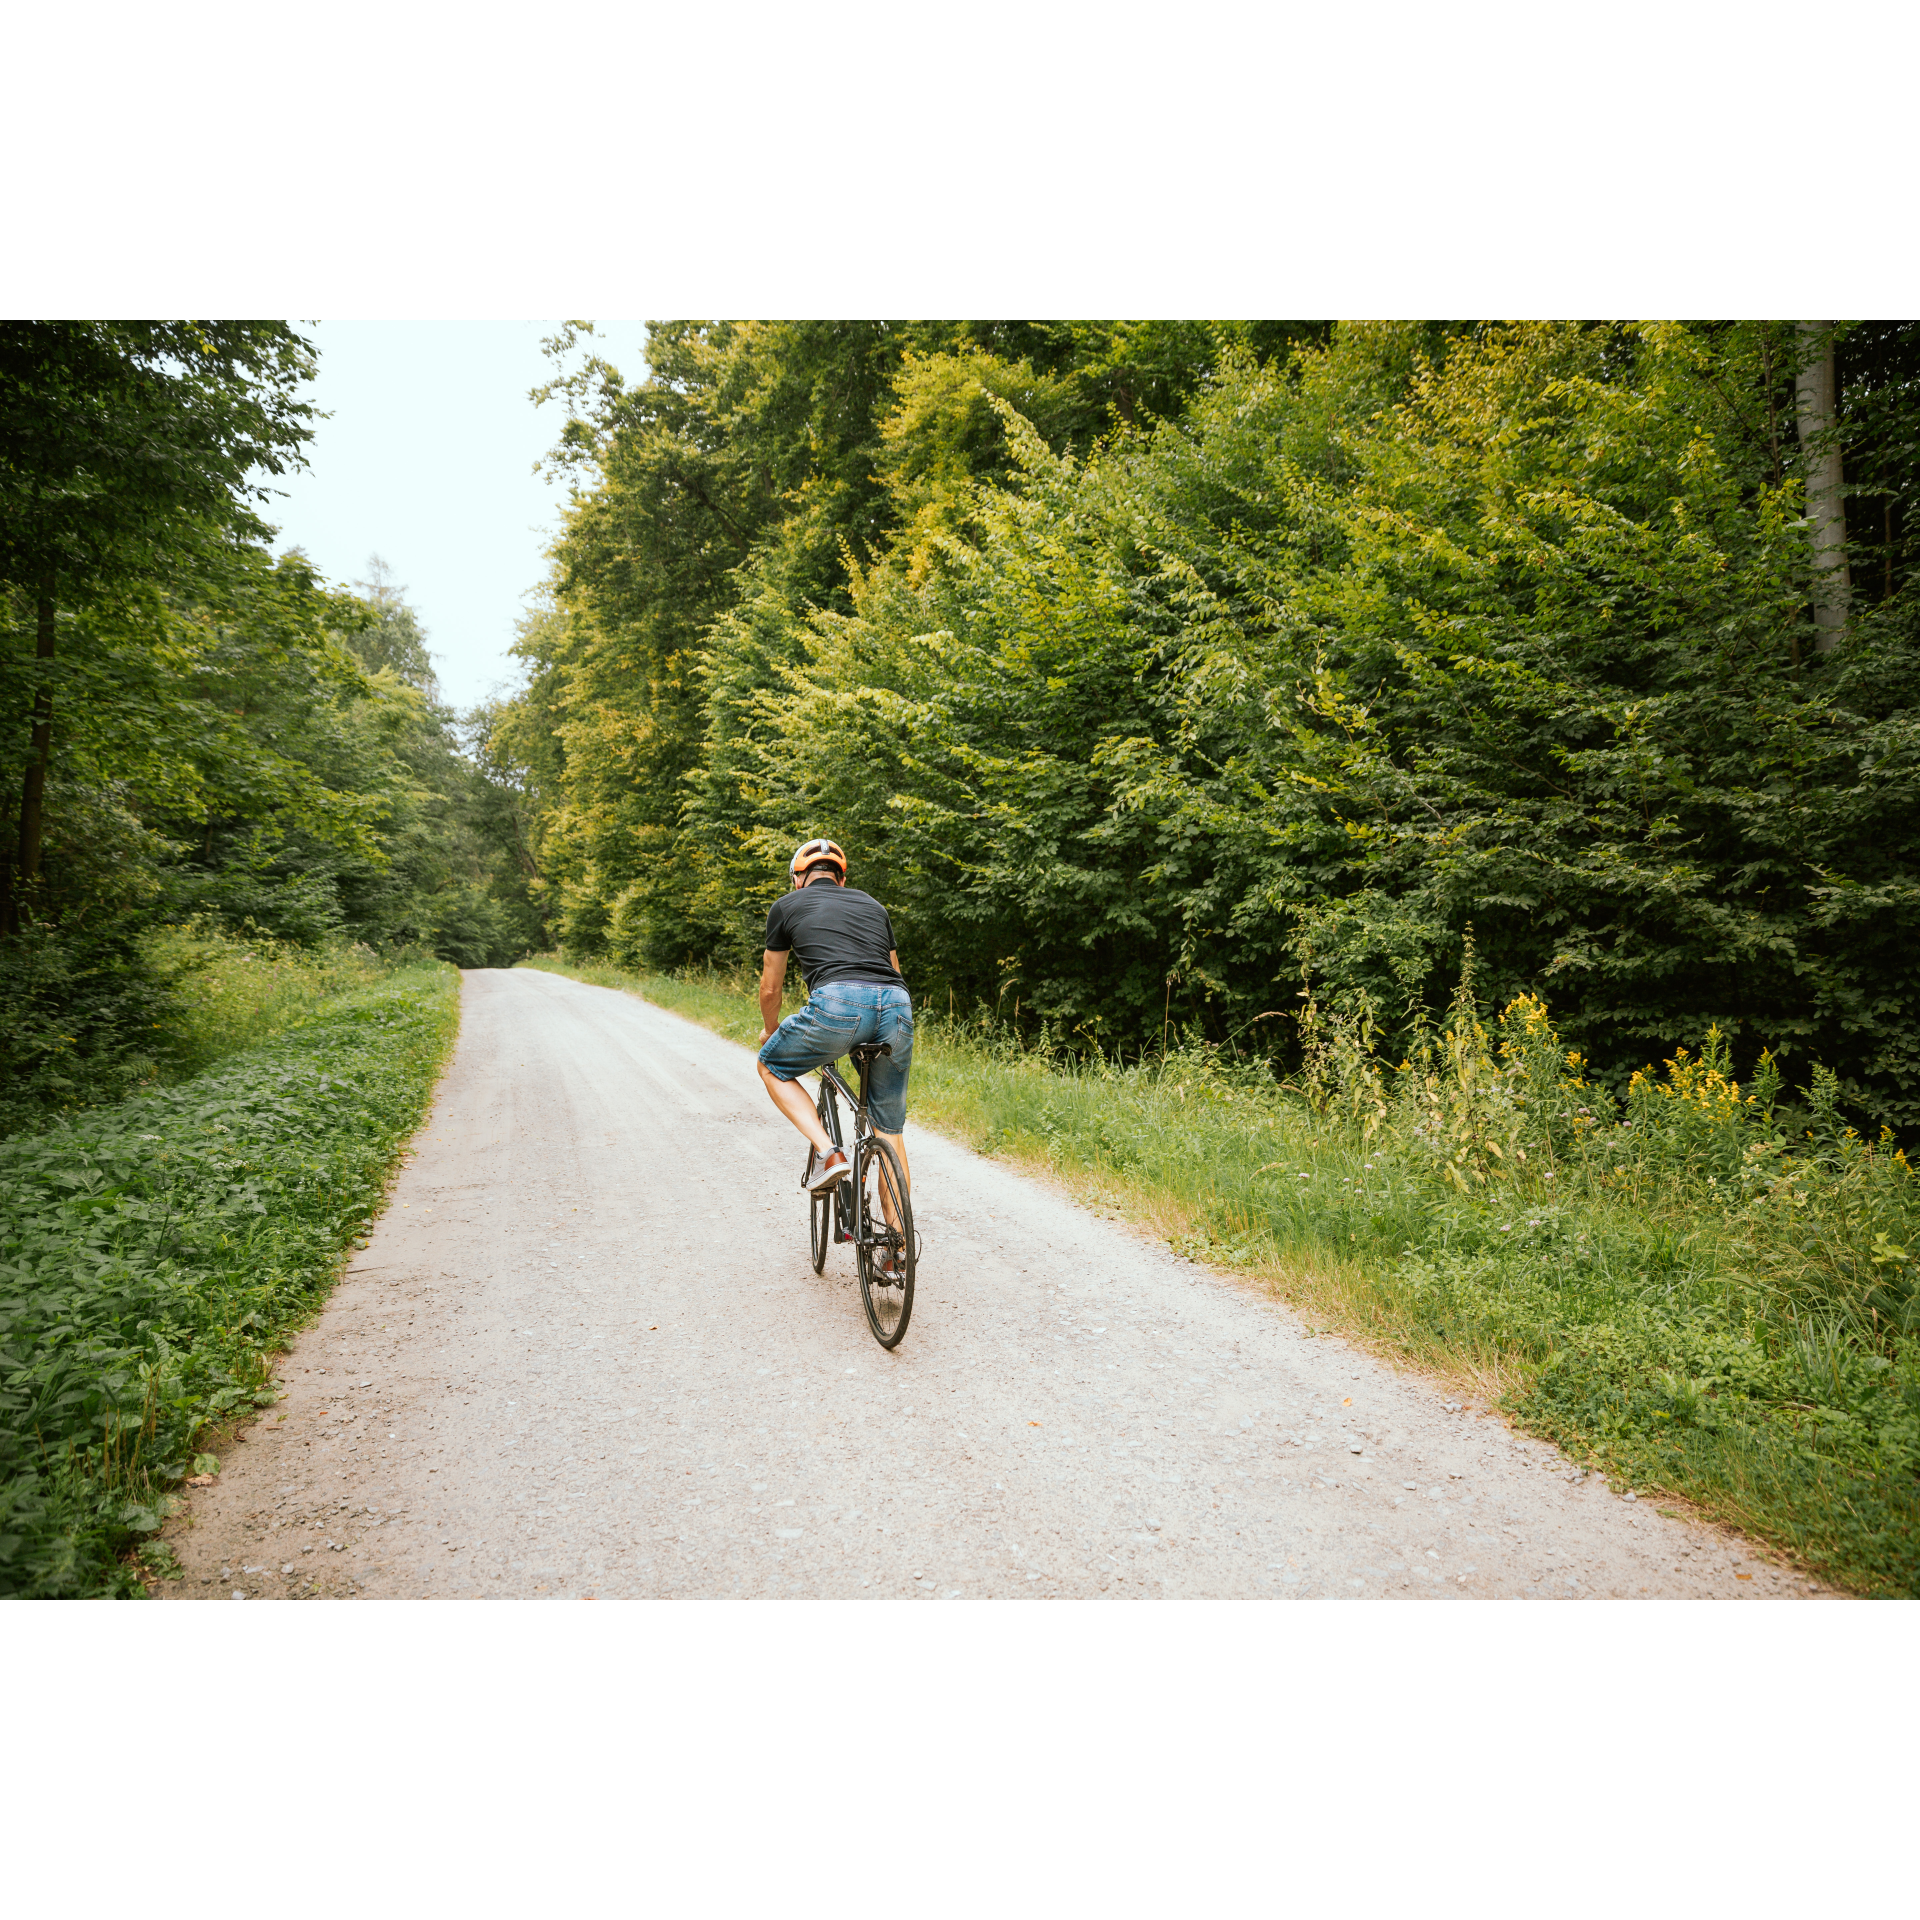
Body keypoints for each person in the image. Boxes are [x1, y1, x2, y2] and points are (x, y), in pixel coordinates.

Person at [756, 838, 913, 1234]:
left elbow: (770, 988)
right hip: (896, 1007)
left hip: (838, 1005)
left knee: (771, 1066)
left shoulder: (786, 906)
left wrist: (771, 1031)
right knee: (889, 1130)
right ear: (841, 879)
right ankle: (896, 1246)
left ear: (797, 878)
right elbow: (894, 969)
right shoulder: (874, 906)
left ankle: (828, 1153)